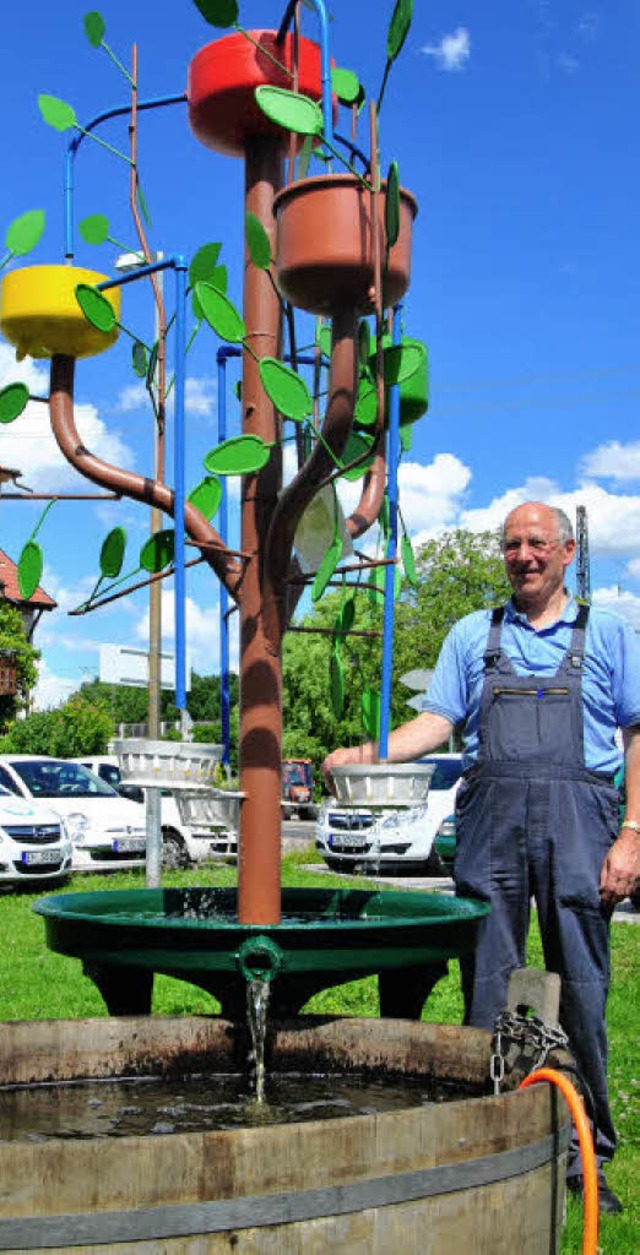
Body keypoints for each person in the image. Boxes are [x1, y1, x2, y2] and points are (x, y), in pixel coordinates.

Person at [323, 502, 640, 1214]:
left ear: (565, 551)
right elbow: (438, 723)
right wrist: (366, 753)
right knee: (488, 989)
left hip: (581, 823)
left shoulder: (610, 632)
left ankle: (583, 1154)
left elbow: (636, 734)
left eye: (536, 543)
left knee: (581, 993)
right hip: (490, 824)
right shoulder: (474, 634)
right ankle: (490, 1139)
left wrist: (633, 833)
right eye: (511, 544)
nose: (523, 554)